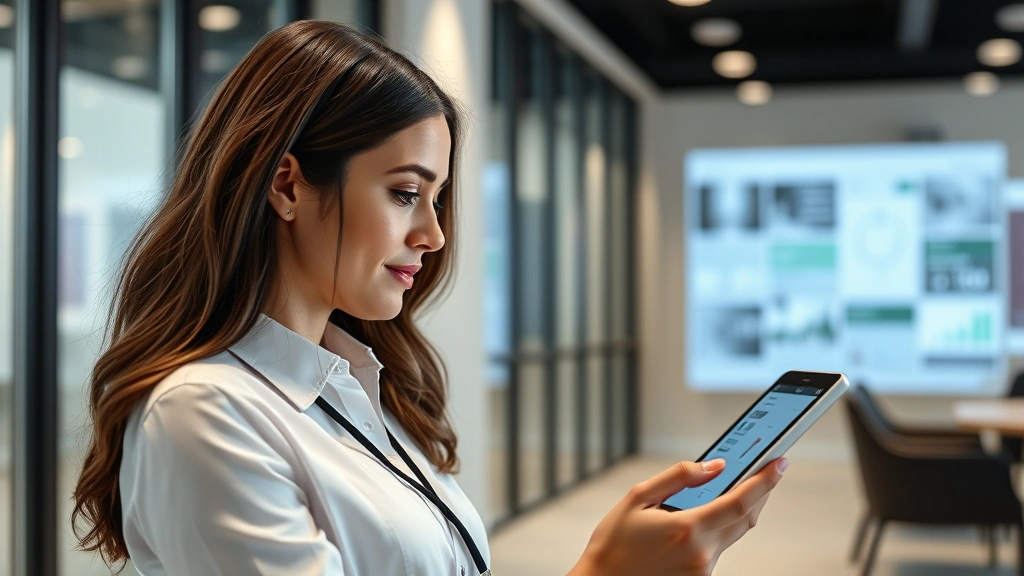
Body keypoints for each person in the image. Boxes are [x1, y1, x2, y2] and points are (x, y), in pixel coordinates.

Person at [71, 20, 786, 576]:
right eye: (406, 193)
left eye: (436, 198)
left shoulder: (354, 386)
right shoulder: (205, 414)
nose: (434, 234)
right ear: (287, 186)